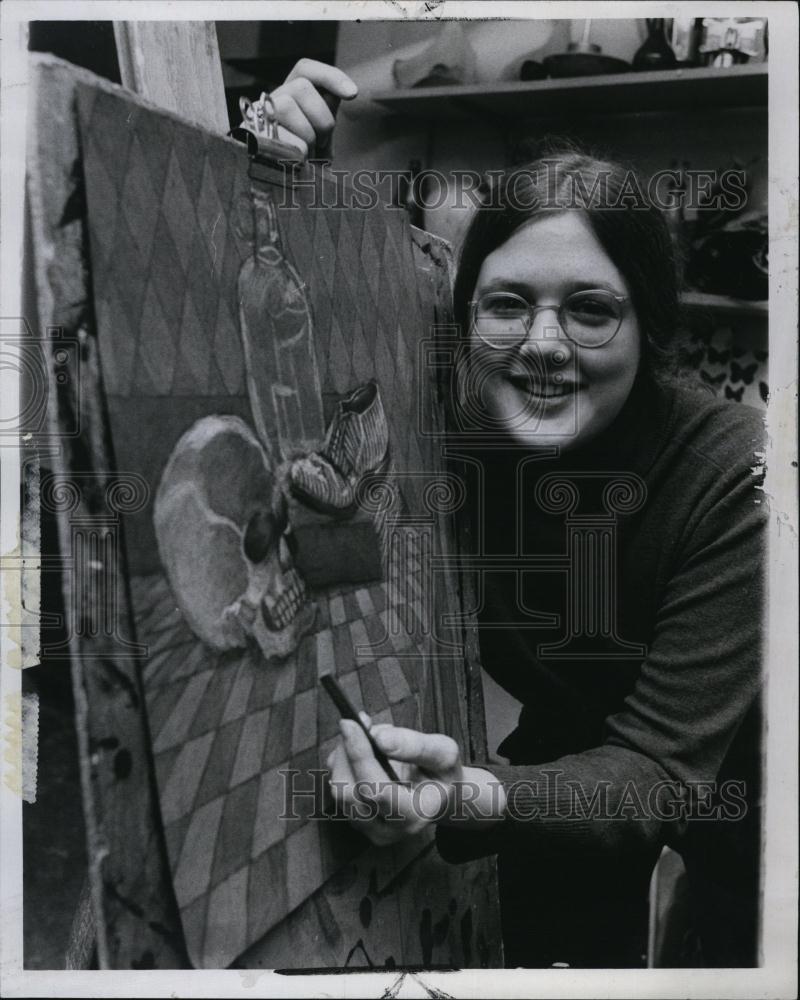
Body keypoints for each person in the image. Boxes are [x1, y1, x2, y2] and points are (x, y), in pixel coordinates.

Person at [270, 60, 766, 968]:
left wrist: (475, 797)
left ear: (651, 327)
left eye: (590, 311)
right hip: (570, 748)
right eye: (507, 304)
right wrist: (275, 175)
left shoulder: (737, 472)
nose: (542, 346)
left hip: (739, 789)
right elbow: (329, 315)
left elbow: (660, 769)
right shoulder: (458, 432)